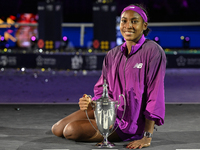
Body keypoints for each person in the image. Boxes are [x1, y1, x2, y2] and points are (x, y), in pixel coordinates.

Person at [51, 3, 166, 149]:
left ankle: (132, 133)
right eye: (124, 21)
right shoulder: (112, 54)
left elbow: (155, 96)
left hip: (129, 123)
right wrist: (91, 103)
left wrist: (147, 136)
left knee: (71, 130)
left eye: (134, 21)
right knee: (57, 128)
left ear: (144, 25)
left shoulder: (153, 51)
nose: (128, 25)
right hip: (108, 110)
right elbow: (102, 90)